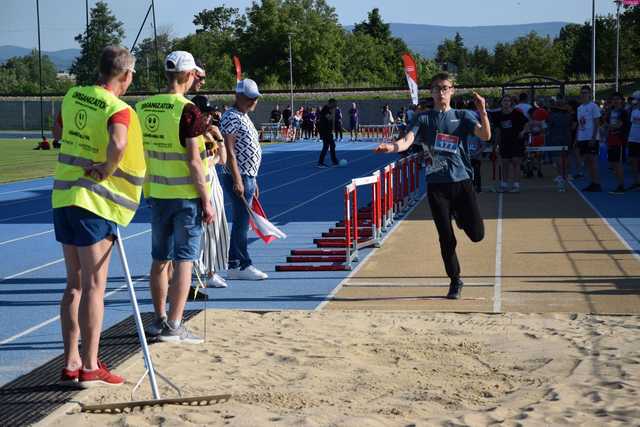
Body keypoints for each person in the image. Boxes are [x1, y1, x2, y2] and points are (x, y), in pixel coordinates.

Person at [54, 45, 145, 387]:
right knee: (95, 285)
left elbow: (59, 133)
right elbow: (119, 144)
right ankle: (90, 364)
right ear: (125, 75)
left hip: (63, 196)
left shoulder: (72, 94)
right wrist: (106, 168)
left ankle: (71, 360)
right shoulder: (117, 108)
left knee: (73, 284)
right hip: (93, 203)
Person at [374, 72, 491, 300]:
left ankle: (460, 215)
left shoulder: (463, 115)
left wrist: (483, 111)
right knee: (446, 238)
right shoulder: (423, 118)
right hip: (437, 185)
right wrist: (391, 147)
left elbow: (485, 135)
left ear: (452, 90)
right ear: (432, 92)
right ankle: (455, 280)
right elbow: (407, 140)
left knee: (477, 235)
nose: (441, 92)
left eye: (445, 88)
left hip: (462, 182)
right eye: (437, 88)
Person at [137, 51, 214, 344]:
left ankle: (157, 320)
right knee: (184, 260)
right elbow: (195, 161)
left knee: (159, 259)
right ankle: (174, 324)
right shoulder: (188, 110)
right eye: (195, 74)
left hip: (156, 193)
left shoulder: (144, 107)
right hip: (185, 197)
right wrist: (206, 200)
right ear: (188, 75)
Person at [220, 79, 268, 280]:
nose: (253, 101)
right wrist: (239, 179)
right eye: (250, 98)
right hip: (238, 177)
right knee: (241, 222)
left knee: (242, 221)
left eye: (255, 98)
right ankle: (242, 264)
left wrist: (252, 179)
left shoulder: (242, 115)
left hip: (247, 176)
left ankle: (233, 263)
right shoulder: (232, 117)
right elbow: (229, 150)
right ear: (238, 97)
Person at [192, 95, 230, 288]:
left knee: (216, 229)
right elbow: (201, 162)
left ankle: (211, 270)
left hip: (213, 182)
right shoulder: (193, 135)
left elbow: (222, 159)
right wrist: (211, 161)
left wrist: (220, 138)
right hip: (202, 184)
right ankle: (204, 271)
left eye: (209, 115)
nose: (208, 119)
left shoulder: (209, 133)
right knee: (205, 230)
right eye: (205, 115)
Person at [489, 95, 528, 193]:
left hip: (517, 141)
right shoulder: (497, 115)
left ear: (511, 103)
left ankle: (516, 185)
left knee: (516, 161)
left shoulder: (517, 113)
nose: (506, 102)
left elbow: (527, 123)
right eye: (504, 101)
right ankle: (504, 184)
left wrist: (523, 132)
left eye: (508, 101)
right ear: (501, 103)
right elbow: (497, 131)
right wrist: (495, 144)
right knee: (505, 163)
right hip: (504, 141)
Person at [576, 85, 602, 192]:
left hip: (591, 137)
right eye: (582, 92)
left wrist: (593, 137)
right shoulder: (579, 108)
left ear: (590, 94)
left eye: (586, 92)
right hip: (582, 138)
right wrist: (577, 137)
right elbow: (579, 123)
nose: (584, 94)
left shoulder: (593, 106)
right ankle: (592, 182)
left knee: (593, 161)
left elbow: (597, 123)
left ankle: (597, 183)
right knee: (586, 161)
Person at [604, 92, 630, 194]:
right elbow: (606, 124)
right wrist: (606, 135)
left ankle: (621, 186)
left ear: (621, 101)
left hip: (619, 140)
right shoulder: (610, 112)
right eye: (613, 99)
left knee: (618, 164)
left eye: (617, 99)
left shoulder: (623, 112)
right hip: (611, 139)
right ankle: (618, 185)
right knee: (613, 164)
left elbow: (618, 126)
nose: (615, 101)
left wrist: (607, 126)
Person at [317, 98, 339, 168]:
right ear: (331, 103)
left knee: (327, 146)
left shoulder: (328, 109)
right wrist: (333, 112)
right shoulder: (325, 109)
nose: (335, 106)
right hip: (325, 131)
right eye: (334, 104)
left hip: (327, 130)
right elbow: (329, 118)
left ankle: (321, 162)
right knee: (331, 145)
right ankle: (334, 162)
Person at [629, 91, 640, 191]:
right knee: (633, 161)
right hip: (633, 139)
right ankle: (636, 182)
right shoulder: (634, 111)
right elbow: (632, 124)